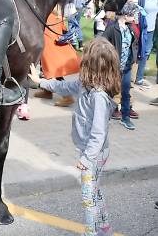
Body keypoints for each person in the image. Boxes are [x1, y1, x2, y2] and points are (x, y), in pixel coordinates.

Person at [29, 38, 119, 236]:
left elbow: (98, 133)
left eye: (84, 58)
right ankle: (104, 228)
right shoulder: (84, 84)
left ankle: (92, 233)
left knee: (88, 198)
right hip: (90, 150)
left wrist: (86, 159)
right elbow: (63, 88)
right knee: (94, 191)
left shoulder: (99, 97)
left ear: (91, 64)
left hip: (93, 154)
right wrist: (40, 81)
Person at [103, 1, 139, 130]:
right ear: (125, 14)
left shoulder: (130, 28)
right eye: (133, 14)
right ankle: (103, 117)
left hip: (127, 67)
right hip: (114, 67)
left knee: (126, 92)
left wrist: (135, 57)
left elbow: (134, 44)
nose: (135, 17)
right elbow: (102, 43)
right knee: (110, 92)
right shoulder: (112, 28)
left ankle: (125, 118)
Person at [34, 9, 81, 107]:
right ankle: (47, 91)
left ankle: (67, 96)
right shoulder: (54, 16)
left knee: (54, 71)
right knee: (48, 69)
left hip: (51, 44)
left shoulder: (51, 15)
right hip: (48, 43)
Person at [135, 0, 158, 91]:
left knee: (146, 52)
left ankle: (139, 78)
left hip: (151, 28)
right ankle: (131, 77)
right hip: (140, 27)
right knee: (136, 52)